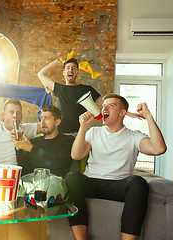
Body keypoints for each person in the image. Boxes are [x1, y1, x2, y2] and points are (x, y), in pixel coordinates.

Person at [65, 93, 167, 240]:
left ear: (122, 113)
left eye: (111, 105)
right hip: (91, 182)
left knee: (138, 182)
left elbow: (159, 149)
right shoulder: (93, 132)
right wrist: (83, 127)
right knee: (71, 177)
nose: (104, 107)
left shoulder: (134, 136)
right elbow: (76, 155)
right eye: (104, 105)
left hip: (118, 186)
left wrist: (149, 116)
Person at [38, 58, 143, 135]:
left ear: (77, 72)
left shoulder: (86, 89)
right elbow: (41, 74)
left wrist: (128, 113)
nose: (71, 70)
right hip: (60, 134)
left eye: (74, 68)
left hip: (80, 134)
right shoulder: (58, 88)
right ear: (64, 73)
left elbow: (106, 103)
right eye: (68, 68)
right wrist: (55, 62)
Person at [11, 105, 75, 201]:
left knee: (55, 185)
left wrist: (31, 149)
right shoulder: (34, 141)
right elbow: (24, 168)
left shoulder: (67, 140)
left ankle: (39, 211)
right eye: (41, 118)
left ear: (57, 122)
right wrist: (19, 148)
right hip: (30, 181)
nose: (42, 122)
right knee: (8, 183)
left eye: (47, 118)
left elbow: (61, 164)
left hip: (52, 180)